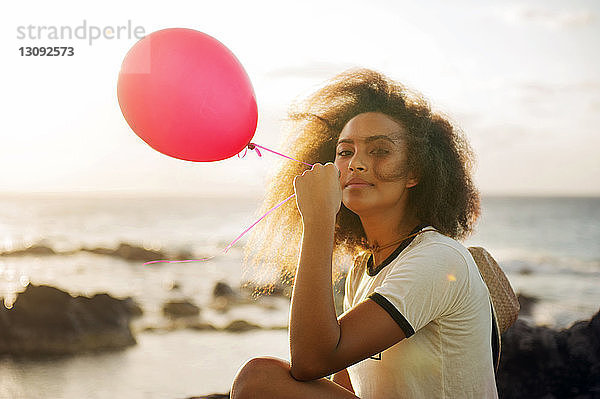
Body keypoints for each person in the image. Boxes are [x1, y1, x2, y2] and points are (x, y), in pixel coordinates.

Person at [230, 68, 498, 398]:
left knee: (259, 381)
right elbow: (339, 384)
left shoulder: (437, 257)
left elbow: (310, 361)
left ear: (414, 172)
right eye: (345, 151)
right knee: (261, 381)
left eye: (380, 151)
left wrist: (318, 222)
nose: (356, 164)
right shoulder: (362, 270)